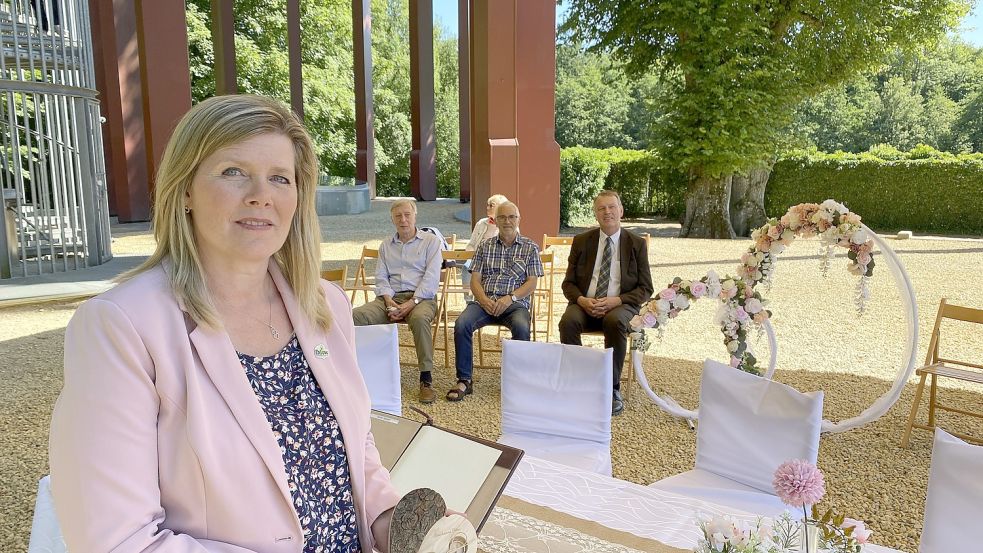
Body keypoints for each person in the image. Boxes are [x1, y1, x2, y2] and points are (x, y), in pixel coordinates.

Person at [48, 95, 439, 553]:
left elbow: (356, 453)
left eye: (280, 177)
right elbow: (116, 541)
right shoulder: (122, 327)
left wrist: (393, 525)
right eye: (234, 171)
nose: (261, 194)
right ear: (186, 188)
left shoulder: (325, 306)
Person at [559, 190, 654, 416]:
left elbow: (646, 288)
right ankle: (580, 383)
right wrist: (582, 300)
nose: (607, 212)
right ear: (596, 214)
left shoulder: (636, 244)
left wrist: (616, 300)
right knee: (567, 323)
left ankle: (610, 388)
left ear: (621, 211)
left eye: (612, 207)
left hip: (620, 305)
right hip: (585, 303)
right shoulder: (582, 241)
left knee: (615, 322)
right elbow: (568, 284)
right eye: (601, 208)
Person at [450, 201, 543, 401]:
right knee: (461, 324)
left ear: (518, 219)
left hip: (515, 304)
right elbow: (475, 280)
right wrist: (483, 300)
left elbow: (532, 282)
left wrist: (510, 298)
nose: (507, 221)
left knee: (521, 327)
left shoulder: (530, 247)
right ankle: (464, 380)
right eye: (502, 217)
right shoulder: (485, 246)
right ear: (495, 220)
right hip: (485, 302)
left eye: (511, 217)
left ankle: (518, 382)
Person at [352, 199, 442, 404]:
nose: (403, 219)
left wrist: (411, 303)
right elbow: (381, 278)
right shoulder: (386, 245)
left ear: (415, 215)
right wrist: (389, 302)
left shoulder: (431, 242)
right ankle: (360, 374)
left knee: (419, 320)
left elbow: (431, 279)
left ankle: (426, 379)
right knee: (356, 316)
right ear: (392, 219)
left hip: (421, 298)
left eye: (407, 214)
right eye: (398, 216)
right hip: (389, 298)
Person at [461, 194, 509, 296]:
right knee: (466, 267)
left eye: (491, 205)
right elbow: (471, 244)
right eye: (487, 205)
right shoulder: (481, 223)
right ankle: (469, 301)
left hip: (497, 261)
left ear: (501, 207)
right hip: (477, 258)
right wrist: (472, 254)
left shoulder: (508, 225)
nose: (487, 208)